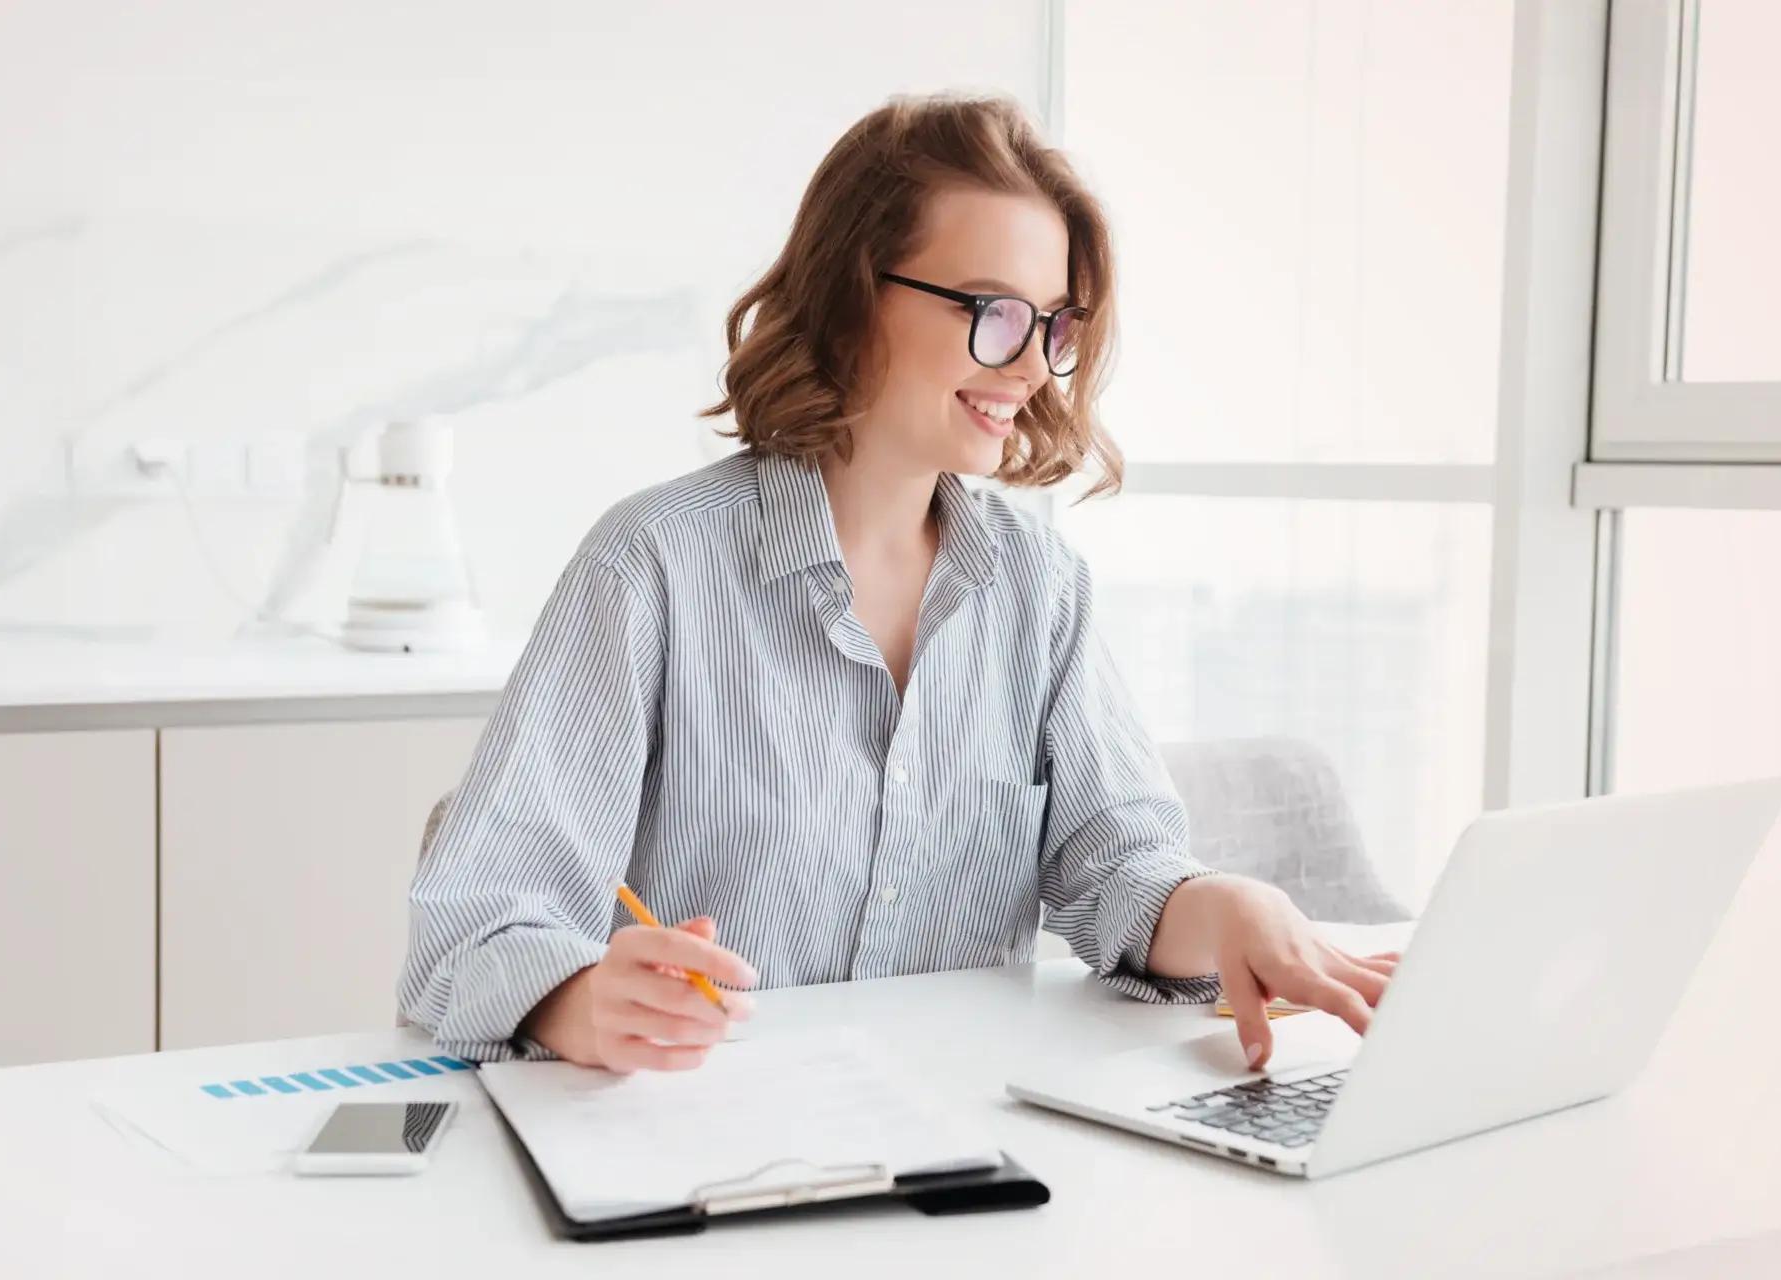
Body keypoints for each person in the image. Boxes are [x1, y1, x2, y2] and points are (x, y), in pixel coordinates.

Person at [398, 92, 1395, 1075]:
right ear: (850, 294)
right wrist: (578, 999)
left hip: (964, 1143)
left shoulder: (1036, 588)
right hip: (704, 1145)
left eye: (1051, 325)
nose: (1033, 369)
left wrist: (1226, 908)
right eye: (993, 313)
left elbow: (1118, 870)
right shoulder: (651, 566)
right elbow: (474, 924)